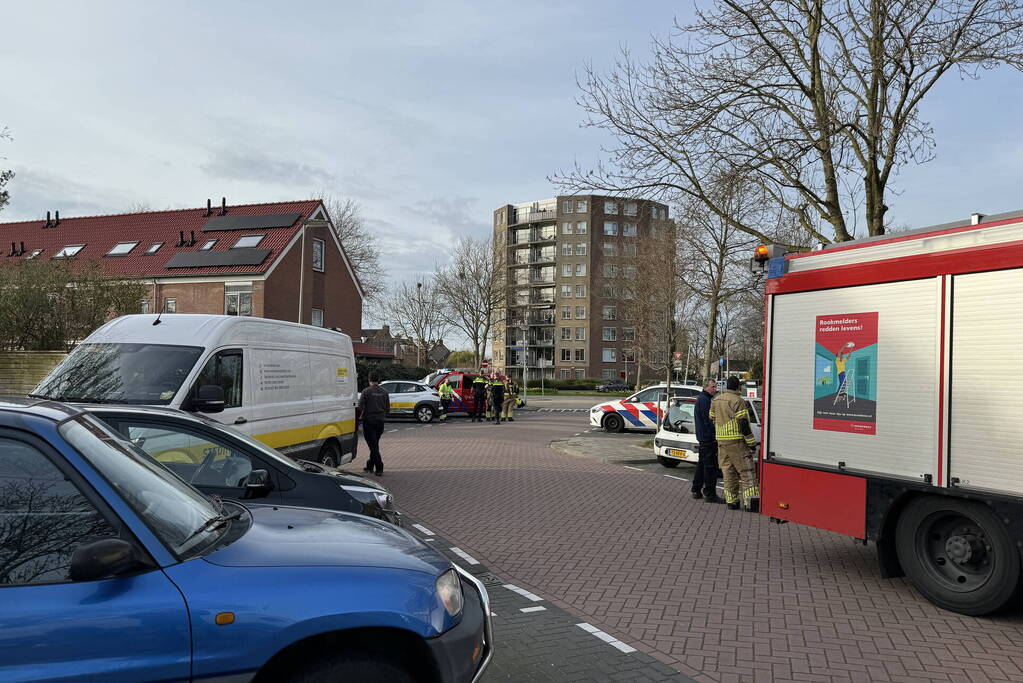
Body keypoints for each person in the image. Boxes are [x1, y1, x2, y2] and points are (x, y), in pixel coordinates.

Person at [710, 376, 759, 511]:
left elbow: (712, 417)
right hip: (737, 441)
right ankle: (750, 502)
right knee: (746, 471)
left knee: (728, 472)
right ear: (738, 387)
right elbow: (743, 423)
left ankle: (732, 502)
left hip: (721, 441)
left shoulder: (716, 400)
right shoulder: (738, 401)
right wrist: (751, 443)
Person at [691, 378, 722, 503]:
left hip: (703, 437)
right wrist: (714, 435)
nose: (715, 389)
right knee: (710, 466)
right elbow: (708, 421)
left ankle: (696, 489)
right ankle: (709, 493)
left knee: (702, 464)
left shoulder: (703, 399)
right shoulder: (705, 401)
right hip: (707, 438)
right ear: (706, 387)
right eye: (713, 387)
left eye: (715, 387)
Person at [358, 371, 389, 476]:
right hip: (380, 422)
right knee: (374, 444)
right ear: (378, 380)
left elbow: (360, 407)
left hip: (369, 422)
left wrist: (358, 419)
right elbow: (388, 408)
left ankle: (379, 467)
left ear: (369, 380)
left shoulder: (366, 392)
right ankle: (369, 465)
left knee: (373, 446)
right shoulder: (385, 392)